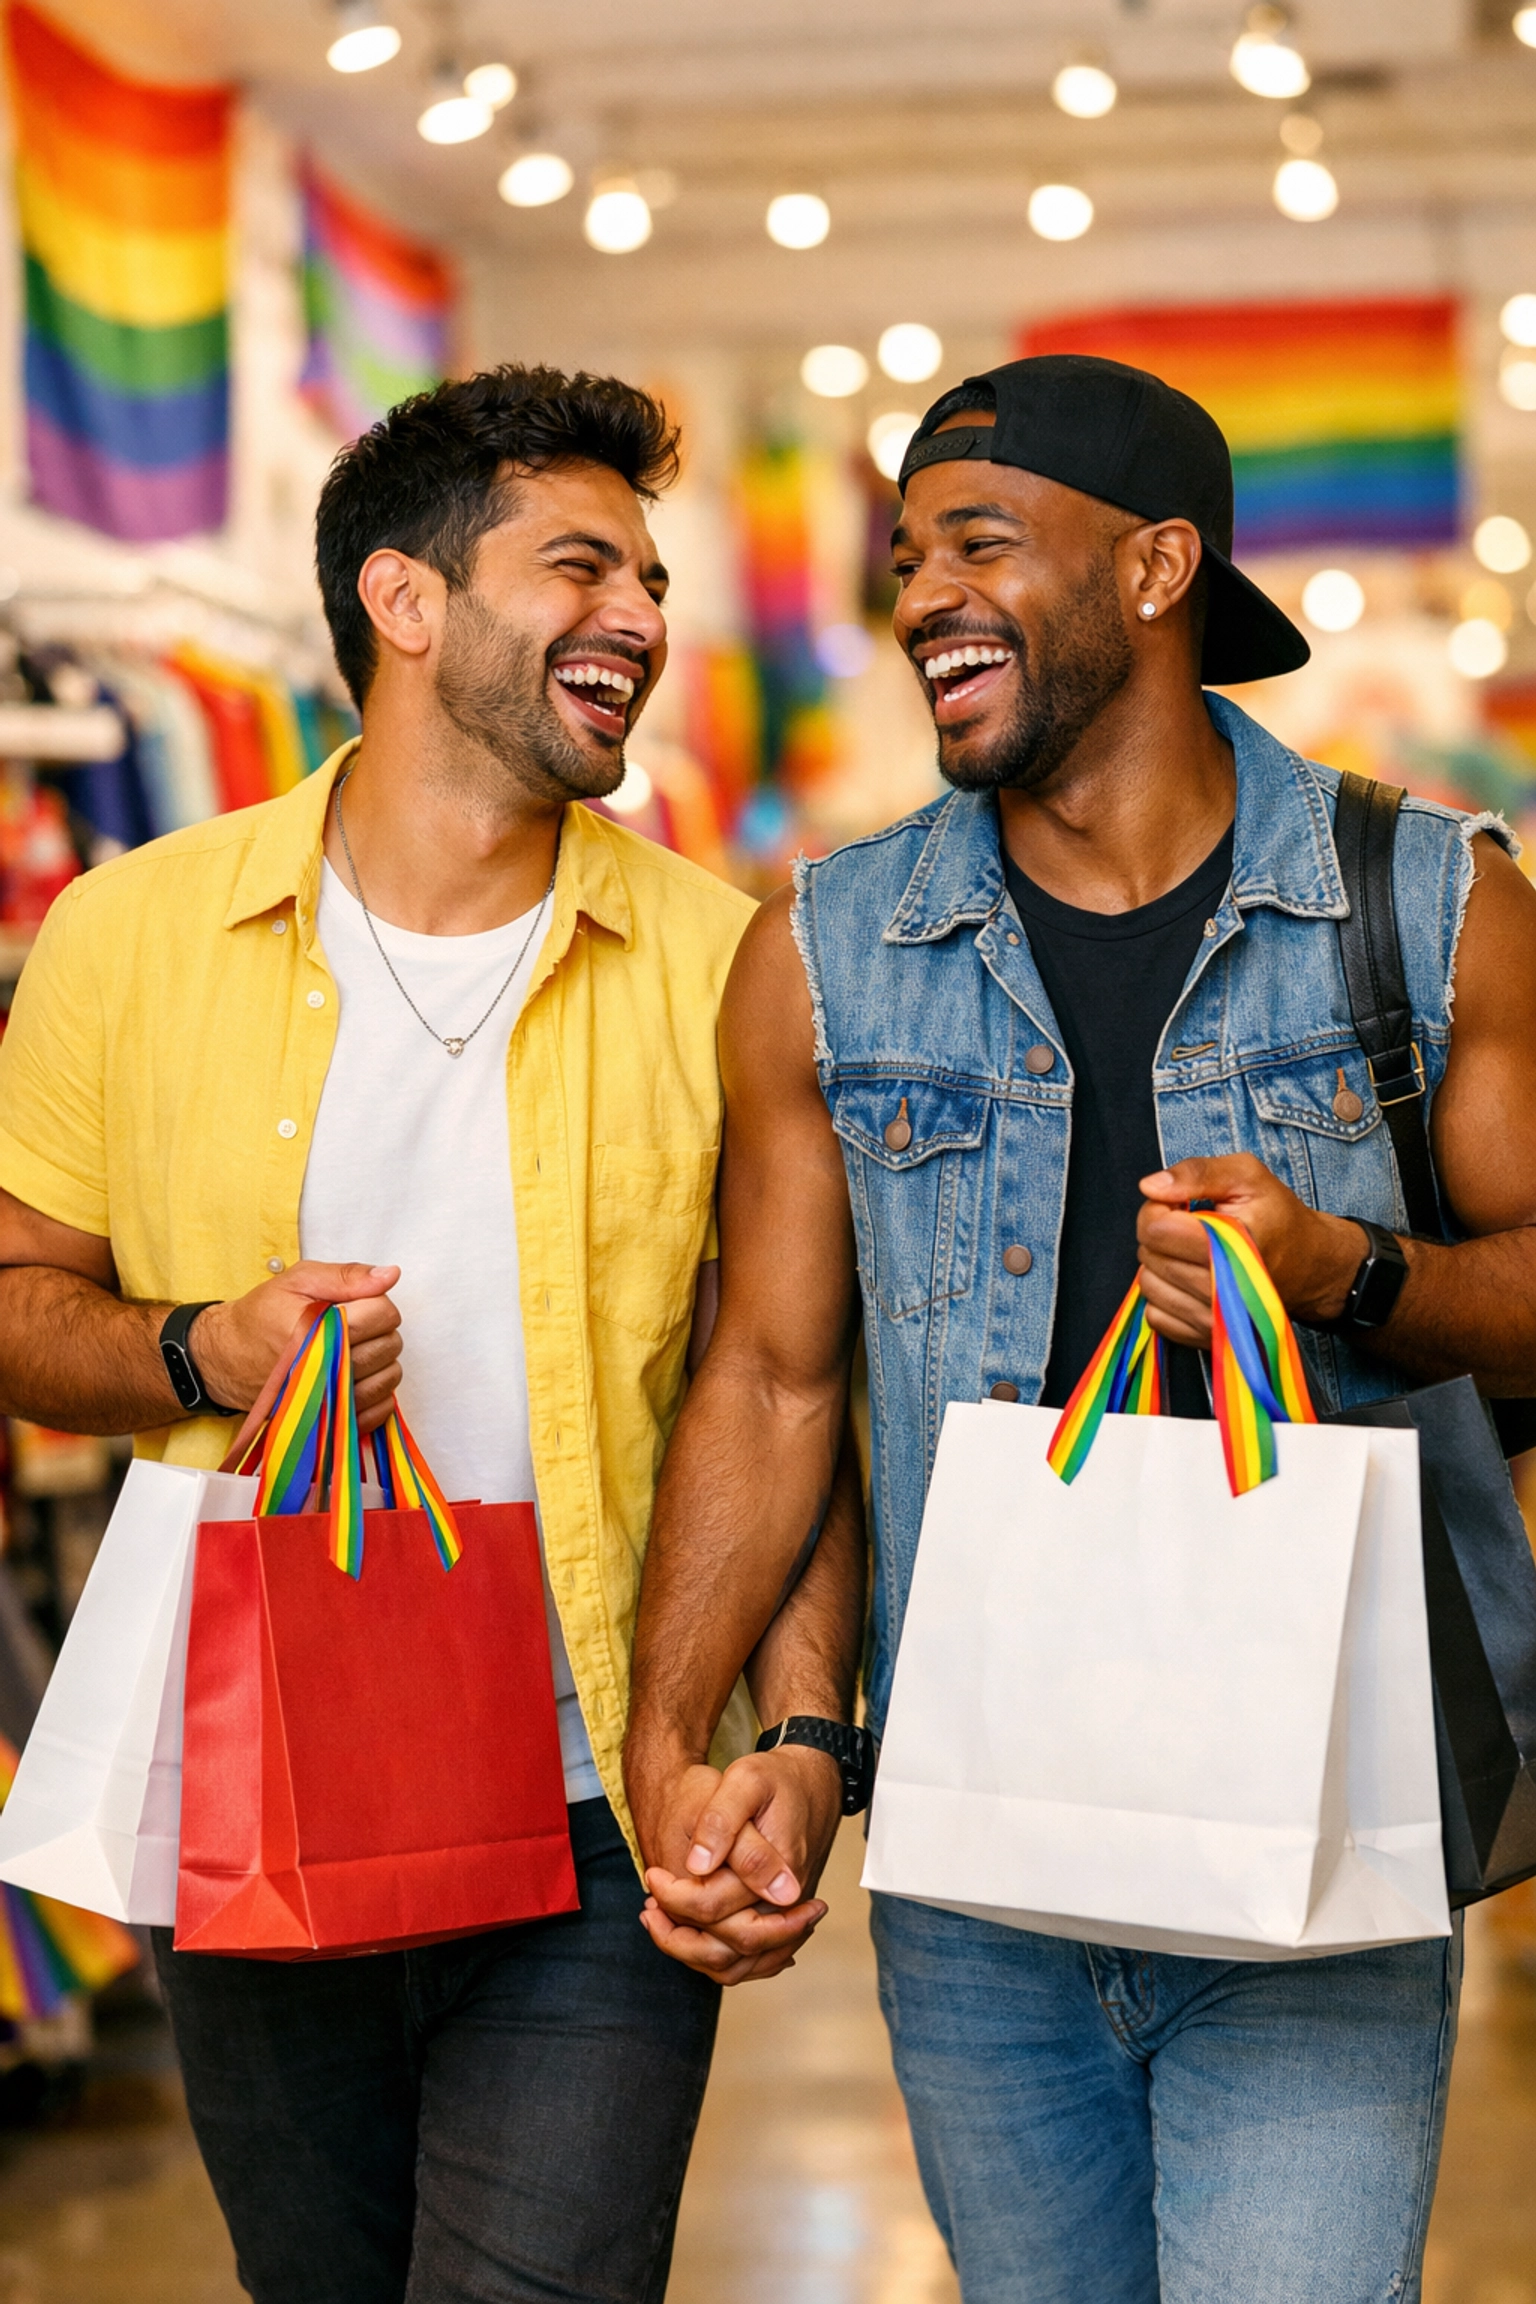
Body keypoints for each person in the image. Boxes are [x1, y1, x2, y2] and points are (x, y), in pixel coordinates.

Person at [624, 353, 1536, 2301]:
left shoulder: (1431, 905)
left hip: (1319, 1825)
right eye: (902, 559)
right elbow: (777, 1380)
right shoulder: (824, 953)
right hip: (985, 1846)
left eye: (980, 541)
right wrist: (679, 1731)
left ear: (1155, 570)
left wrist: (1348, 1274)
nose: (921, 595)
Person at [0, 364, 863, 2304]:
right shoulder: (128, 939)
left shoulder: (724, 964)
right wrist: (199, 1355)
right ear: (404, 602)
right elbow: (17, 1304)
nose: (642, 619)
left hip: (596, 1818)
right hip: (267, 1773)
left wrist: (793, 1741)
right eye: (583, 567)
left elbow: (791, 1388)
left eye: (651, 579)